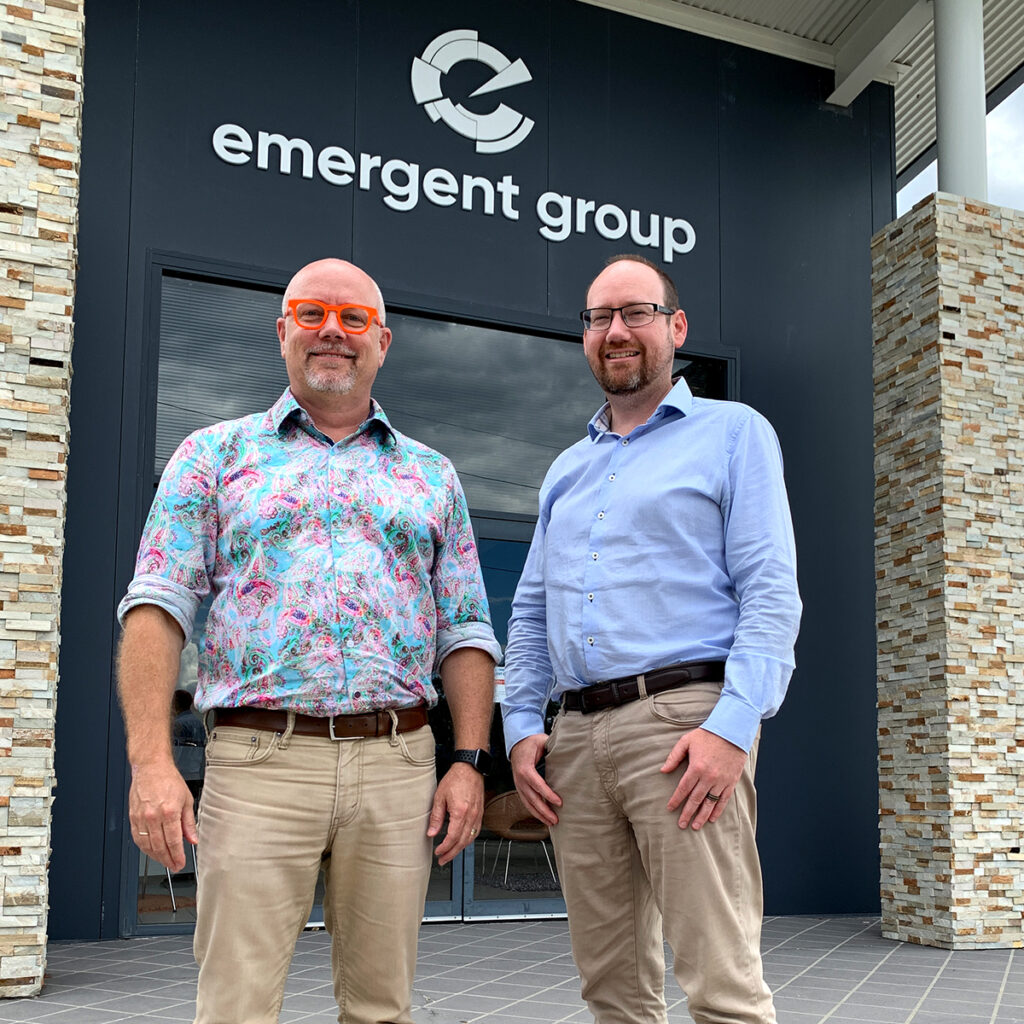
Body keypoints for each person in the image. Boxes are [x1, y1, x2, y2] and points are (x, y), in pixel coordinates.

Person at [117, 258, 501, 1024]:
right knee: (236, 1005)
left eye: (354, 318)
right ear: (283, 331)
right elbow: (157, 607)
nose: (333, 331)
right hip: (260, 762)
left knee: (381, 1006)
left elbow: (464, 629)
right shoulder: (214, 455)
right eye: (312, 314)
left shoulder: (432, 475)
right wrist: (152, 762)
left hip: (397, 765)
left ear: (382, 341)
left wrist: (468, 762)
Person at [502, 254, 801, 1024]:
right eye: (599, 317)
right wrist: (522, 726)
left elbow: (770, 588)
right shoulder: (567, 469)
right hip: (575, 743)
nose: (616, 331)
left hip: (683, 729)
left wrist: (733, 726)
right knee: (611, 988)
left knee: (721, 983)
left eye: (636, 312)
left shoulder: (733, 433)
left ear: (677, 327)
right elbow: (531, 609)